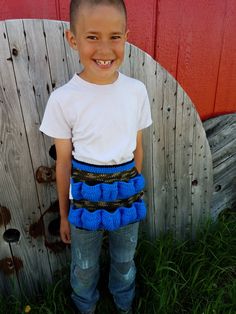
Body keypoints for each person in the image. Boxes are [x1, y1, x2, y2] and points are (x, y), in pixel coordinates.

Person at [40, 0, 152, 313]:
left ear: (126, 37)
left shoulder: (136, 91)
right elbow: (63, 164)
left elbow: (137, 148)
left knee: (124, 258)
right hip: (84, 197)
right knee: (85, 264)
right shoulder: (63, 99)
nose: (105, 48)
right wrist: (64, 214)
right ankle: (84, 306)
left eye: (115, 37)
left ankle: (124, 303)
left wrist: (133, 189)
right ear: (73, 39)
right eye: (92, 37)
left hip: (127, 193)